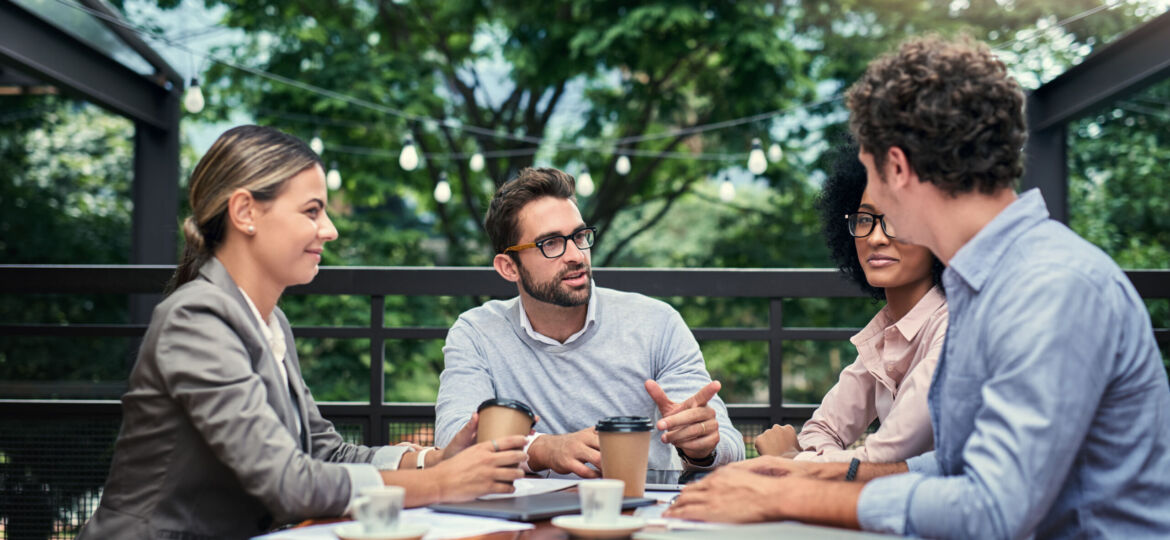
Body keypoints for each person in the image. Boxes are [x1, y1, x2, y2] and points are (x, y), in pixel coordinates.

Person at [666, 35, 1170, 538]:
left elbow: (994, 509)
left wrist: (791, 493)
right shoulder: (987, 285)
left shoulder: (1049, 287)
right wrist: (815, 471)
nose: (869, 202)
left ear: (898, 168)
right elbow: (956, 468)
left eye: (870, 172)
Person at [79, 126, 526, 539]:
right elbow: (286, 482)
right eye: (312, 211)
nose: (328, 230)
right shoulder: (195, 320)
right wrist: (437, 484)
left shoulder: (268, 322)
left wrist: (433, 459)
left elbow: (324, 452)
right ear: (245, 212)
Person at [435, 167, 745, 479]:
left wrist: (702, 448)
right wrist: (543, 449)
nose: (576, 255)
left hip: (639, 511)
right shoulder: (476, 332)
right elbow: (453, 441)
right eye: (551, 243)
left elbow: (731, 445)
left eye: (579, 236)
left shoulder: (656, 323)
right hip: (523, 515)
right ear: (508, 267)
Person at [754, 144, 947, 464]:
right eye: (864, 219)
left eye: (896, 218)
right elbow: (821, 429)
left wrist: (792, 461)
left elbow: (883, 457)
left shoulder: (950, 329)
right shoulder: (890, 332)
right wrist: (800, 459)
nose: (875, 237)